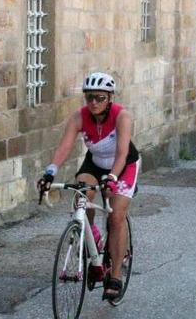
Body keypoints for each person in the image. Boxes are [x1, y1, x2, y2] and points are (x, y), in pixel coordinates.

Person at [37, 72, 139, 301]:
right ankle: (91, 237)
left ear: (110, 98)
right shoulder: (79, 117)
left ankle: (114, 276)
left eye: (100, 98)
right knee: (80, 195)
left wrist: (112, 176)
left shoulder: (122, 116)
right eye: (89, 97)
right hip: (95, 163)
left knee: (116, 217)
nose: (93, 102)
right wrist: (50, 171)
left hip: (123, 165)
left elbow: (122, 153)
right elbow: (64, 147)